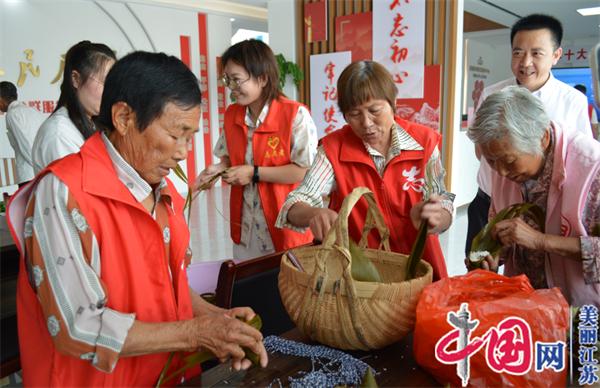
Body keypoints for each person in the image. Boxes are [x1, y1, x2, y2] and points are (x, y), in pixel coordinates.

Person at [7, 52, 267, 386]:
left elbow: (169, 283)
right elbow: (78, 326)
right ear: (124, 117)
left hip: (166, 375)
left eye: (190, 136)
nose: (183, 152)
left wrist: (218, 320)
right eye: (175, 135)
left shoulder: (162, 189)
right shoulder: (63, 193)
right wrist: (195, 333)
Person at [276, 61, 454, 281]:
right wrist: (314, 213)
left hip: (420, 269)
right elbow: (293, 205)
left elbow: (444, 200)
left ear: (393, 102)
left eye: (374, 110)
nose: (366, 123)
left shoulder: (424, 142)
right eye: (354, 114)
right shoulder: (333, 149)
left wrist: (437, 216)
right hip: (361, 275)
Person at [465, 14, 593, 256]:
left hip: (549, 207)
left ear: (556, 55)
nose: (525, 62)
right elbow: (481, 148)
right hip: (491, 198)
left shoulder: (571, 100)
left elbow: (580, 159)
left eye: (536, 53)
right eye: (517, 52)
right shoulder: (492, 94)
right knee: (482, 261)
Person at [468, 86, 599, 307]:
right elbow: (500, 228)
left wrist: (540, 241)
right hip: (524, 305)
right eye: (491, 161)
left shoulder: (592, 168)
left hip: (578, 311)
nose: (500, 172)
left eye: (509, 161)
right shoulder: (503, 168)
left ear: (543, 138)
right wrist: (492, 256)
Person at [193, 40, 317, 260]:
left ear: (262, 78)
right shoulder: (232, 114)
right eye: (227, 79)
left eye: (237, 80)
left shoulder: (295, 115)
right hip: (246, 225)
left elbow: (303, 171)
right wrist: (218, 170)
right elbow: (229, 158)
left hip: (284, 222)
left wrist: (253, 173)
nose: (231, 87)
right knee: (249, 283)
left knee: (286, 288)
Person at [32, 40, 116, 173]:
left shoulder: (92, 123)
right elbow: (74, 190)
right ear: (76, 79)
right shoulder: (59, 134)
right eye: (105, 82)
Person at [0, 81, 46, 186]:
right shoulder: (32, 110)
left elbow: (25, 144)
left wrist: (39, 168)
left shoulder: (12, 114)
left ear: (1, 99)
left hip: (30, 174)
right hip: (41, 170)